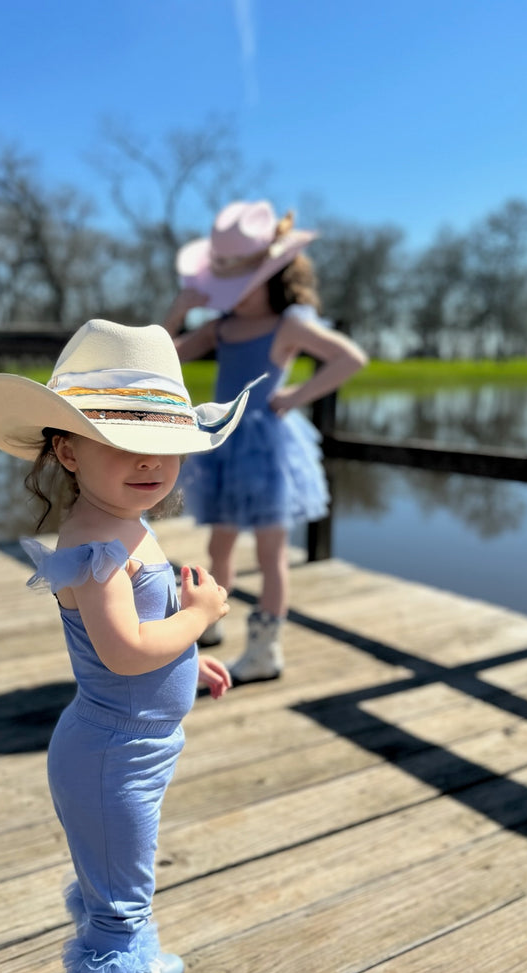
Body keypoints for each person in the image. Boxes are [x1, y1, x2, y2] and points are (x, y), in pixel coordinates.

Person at [0, 319, 251, 973]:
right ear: (68, 450)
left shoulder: (125, 524)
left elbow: (140, 644)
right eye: (123, 442)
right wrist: (202, 618)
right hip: (110, 751)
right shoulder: (94, 544)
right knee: (122, 888)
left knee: (117, 872)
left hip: (134, 741)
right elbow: (124, 652)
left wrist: (188, 662)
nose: (152, 462)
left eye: (165, 443)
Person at [163, 199, 369, 683]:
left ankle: (264, 649)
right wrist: (179, 309)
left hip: (266, 447)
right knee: (219, 546)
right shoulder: (224, 327)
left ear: (270, 277)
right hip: (224, 442)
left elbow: (350, 359)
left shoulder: (289, 323)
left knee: (272, 554)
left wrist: (297, 395)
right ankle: (208, 625)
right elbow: (161, 357)